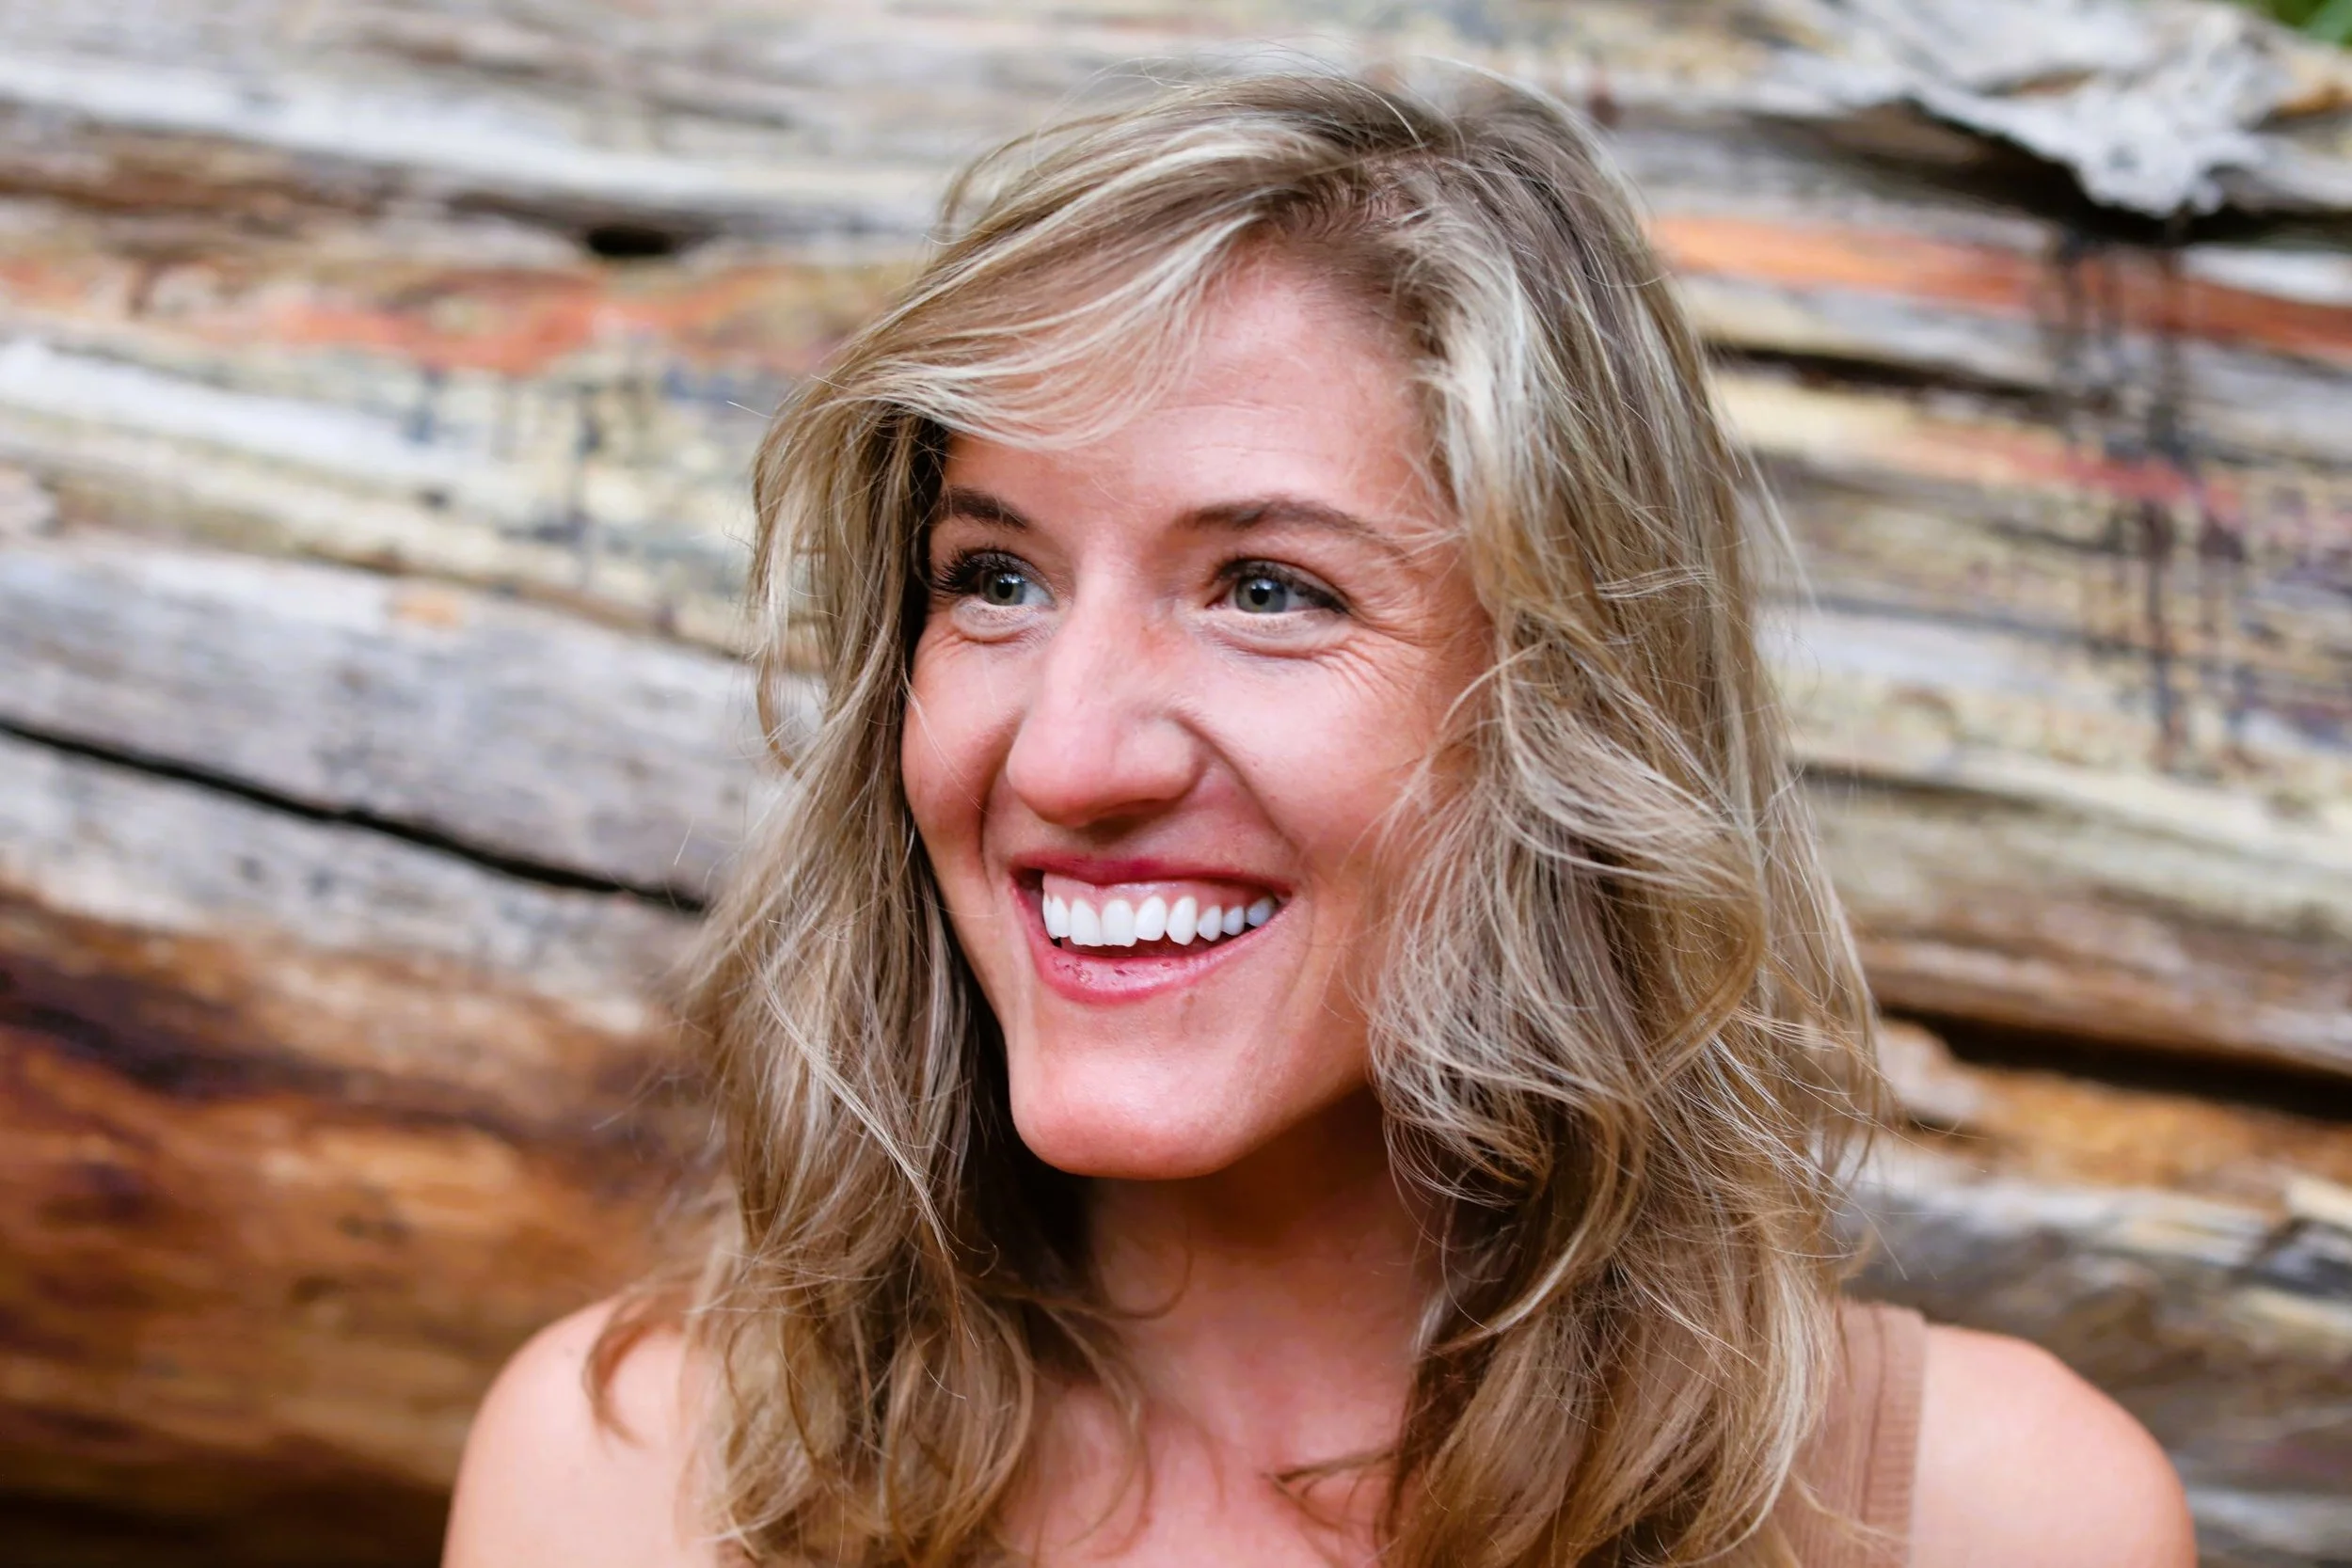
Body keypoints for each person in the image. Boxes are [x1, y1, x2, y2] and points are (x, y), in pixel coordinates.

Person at [443, 70, 2194, 1568]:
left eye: (1267, 587)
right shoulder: (629, 1486)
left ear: (1569, 697)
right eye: (994, 578)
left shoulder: (1988, 1512)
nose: (1065, 754)